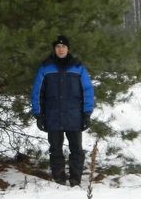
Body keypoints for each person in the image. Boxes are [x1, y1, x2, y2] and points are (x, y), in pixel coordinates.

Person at [30, 34, 95, 186]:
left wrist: (86, 114)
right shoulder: (45, 68)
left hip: (74, 116)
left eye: (63, 47)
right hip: (53, 116)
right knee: (55, 150)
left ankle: (75, 179)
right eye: (58, 47)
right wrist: (39, 115)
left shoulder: (78, 67)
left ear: (68, 49)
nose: (60, 49)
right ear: (54, 49)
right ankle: (59, 179)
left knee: (76, 150)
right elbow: (37, 92)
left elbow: (87, 90)